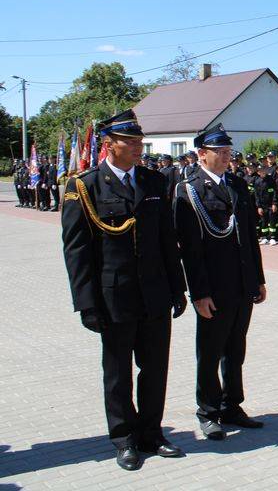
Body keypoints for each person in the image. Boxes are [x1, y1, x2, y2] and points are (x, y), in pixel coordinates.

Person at [60, 109, 187, 471]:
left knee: (155, 368)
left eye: (139, 142)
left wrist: (177, 288)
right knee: (117, 373)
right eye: (129, 142)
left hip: (155, 294)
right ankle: (124, 438)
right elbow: (77, 251)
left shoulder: (154, 181)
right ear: (108, 144)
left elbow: (166, 240)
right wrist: (86, 304)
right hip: (114, 296)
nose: (137, 148)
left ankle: (152, 433)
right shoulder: (85, 186)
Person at [174, 124, 267, 441]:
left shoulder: (237, 185)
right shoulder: (189, 190)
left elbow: (249, 237)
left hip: (242, 284)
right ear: (202, 154)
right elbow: (190, 249)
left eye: (228, 151)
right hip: (213, 288)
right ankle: (208, 411)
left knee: (235, 349)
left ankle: (232, 405)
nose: (228, 157)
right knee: (210, 352)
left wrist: (258, 279)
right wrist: (199, 293)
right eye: (221, 152)